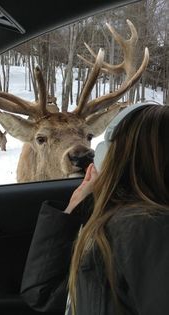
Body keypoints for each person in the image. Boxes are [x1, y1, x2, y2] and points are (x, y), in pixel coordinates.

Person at [20, 103, 169, 315]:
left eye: (107, 147)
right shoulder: (118, 221)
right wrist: (72, 209)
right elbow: (46, 296)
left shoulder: (148, 229)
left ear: (113, 156)